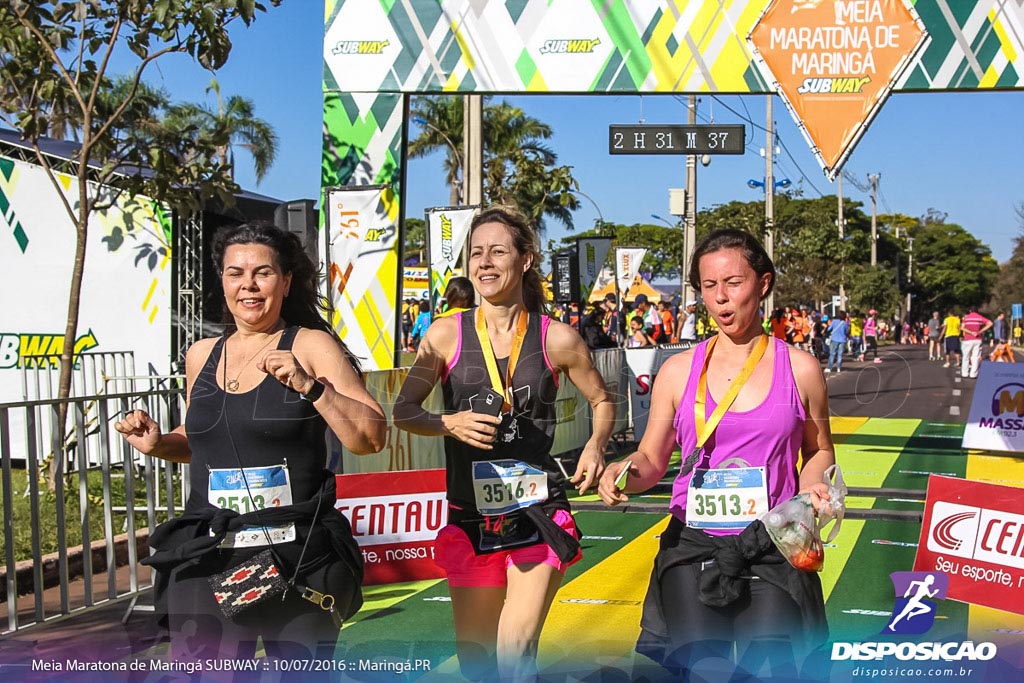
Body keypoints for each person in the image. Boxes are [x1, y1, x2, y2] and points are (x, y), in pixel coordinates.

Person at [114, 222, 386, 658]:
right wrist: (160, 442)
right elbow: (203, 439)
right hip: (210, 551)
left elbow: (370, 437)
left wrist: (312, 386)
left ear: (286, 281)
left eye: (262, 272)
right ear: (222, 280)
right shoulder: (201, 354)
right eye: (235, 273)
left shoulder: (311, 345)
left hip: (293, 555)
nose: (249, 285)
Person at [598, 228, 834, 676]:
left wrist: (813, 486)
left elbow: (818, 449)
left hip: (774, 544)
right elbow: (651, 460)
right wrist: (623, 470)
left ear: (763, 284)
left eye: (733, 283)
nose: (721, 298)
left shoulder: (800, 368)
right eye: (709, 286)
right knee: (702, 671)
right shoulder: (677, 370)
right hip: (693, 546)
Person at [392, 205, 614, 680]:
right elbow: (404, 411)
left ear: (526, 259)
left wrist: (596, 445)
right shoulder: (444, 334)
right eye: (476, 253)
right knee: (477, 662)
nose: (485, 263)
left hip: (536, 512)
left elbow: (602, 399)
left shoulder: (558, 339)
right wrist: (447, 423)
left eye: (497, 251)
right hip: (470, 515)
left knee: (515, 650)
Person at [960, 306, 993, 378]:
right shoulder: (979, 317)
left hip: (967, 339)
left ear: (970, 310)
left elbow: (962, 328)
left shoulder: (966, 318)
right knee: (976, 357)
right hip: (977, 339)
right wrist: (980, 331)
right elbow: (990, 323)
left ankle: (964, 373)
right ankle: (973, 374)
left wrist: (971, 332)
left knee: (966, 356)